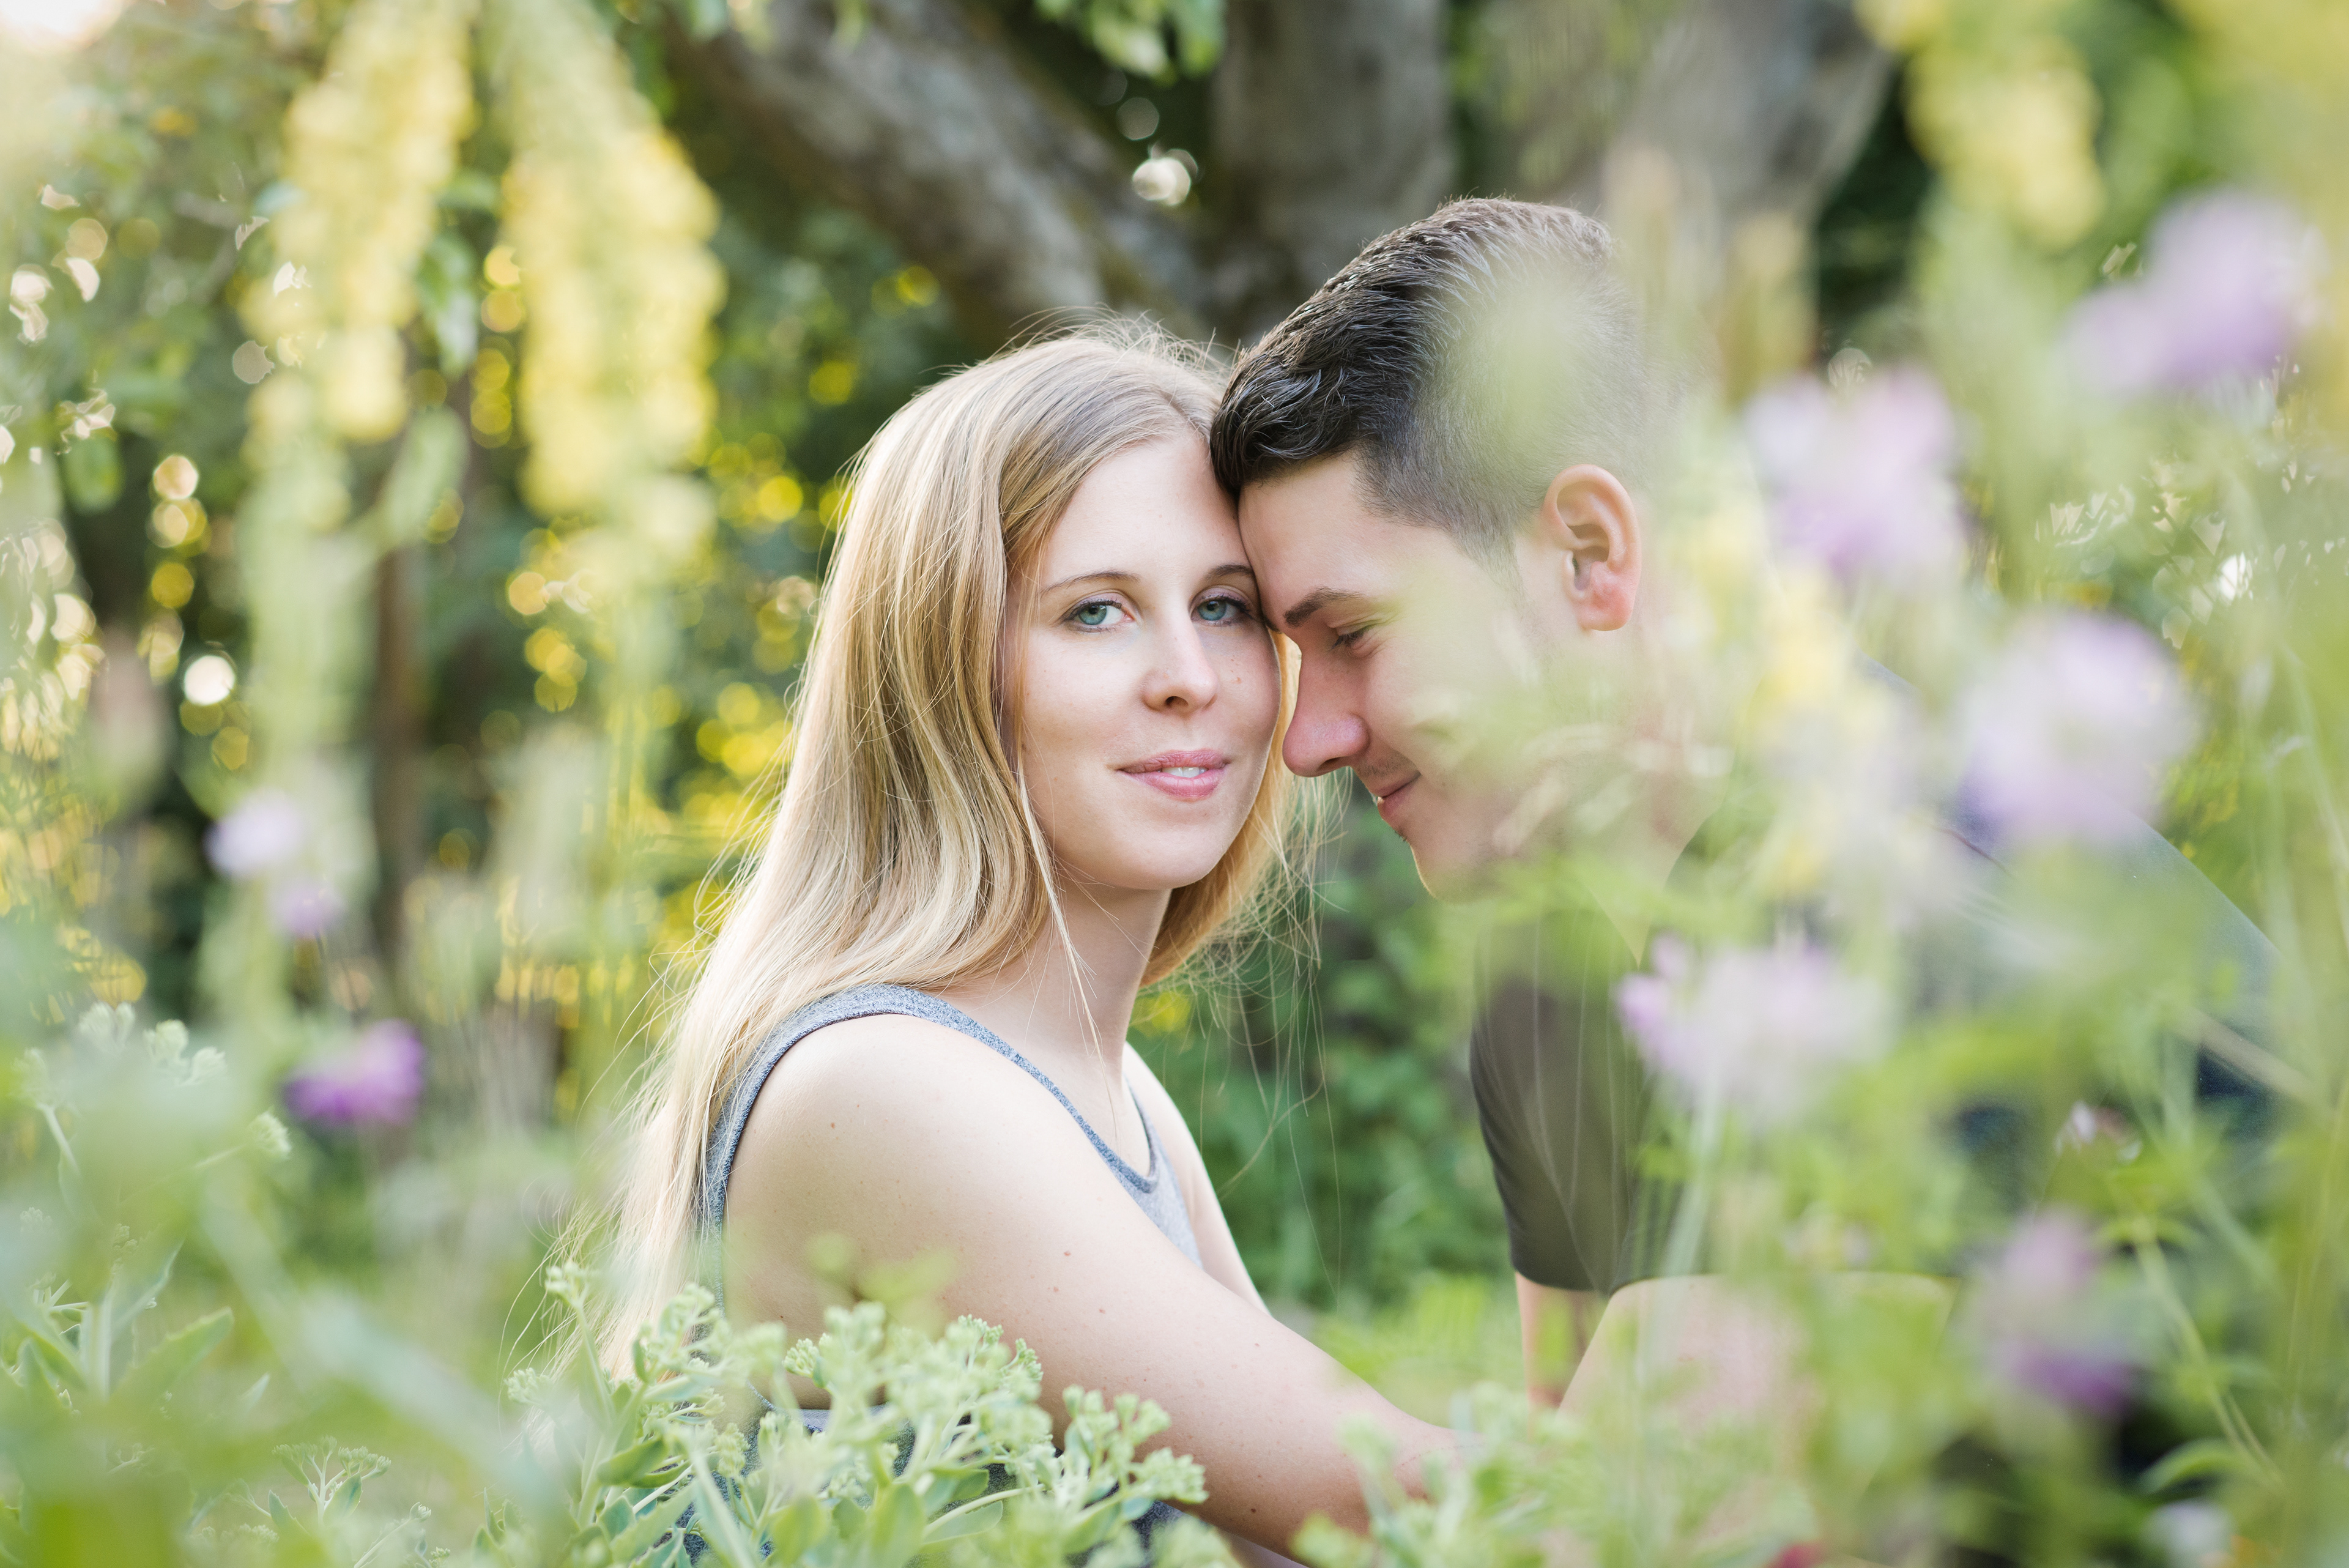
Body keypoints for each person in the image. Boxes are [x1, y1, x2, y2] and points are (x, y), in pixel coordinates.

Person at [1209, 198, 2277, 1410]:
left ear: (1589, 556)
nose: (1306, 741)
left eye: (1352, 632)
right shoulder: (1539, 984)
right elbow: (1569, 1479)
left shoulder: (1895, 886)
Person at [598, 330, 1452, 1561]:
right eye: (1094, 611)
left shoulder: (1115, 1101)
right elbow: (1389, 1501)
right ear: (945, 669)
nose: (1188, 676)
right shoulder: (891, 1085)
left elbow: (1297, 1542)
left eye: (1224, 607)